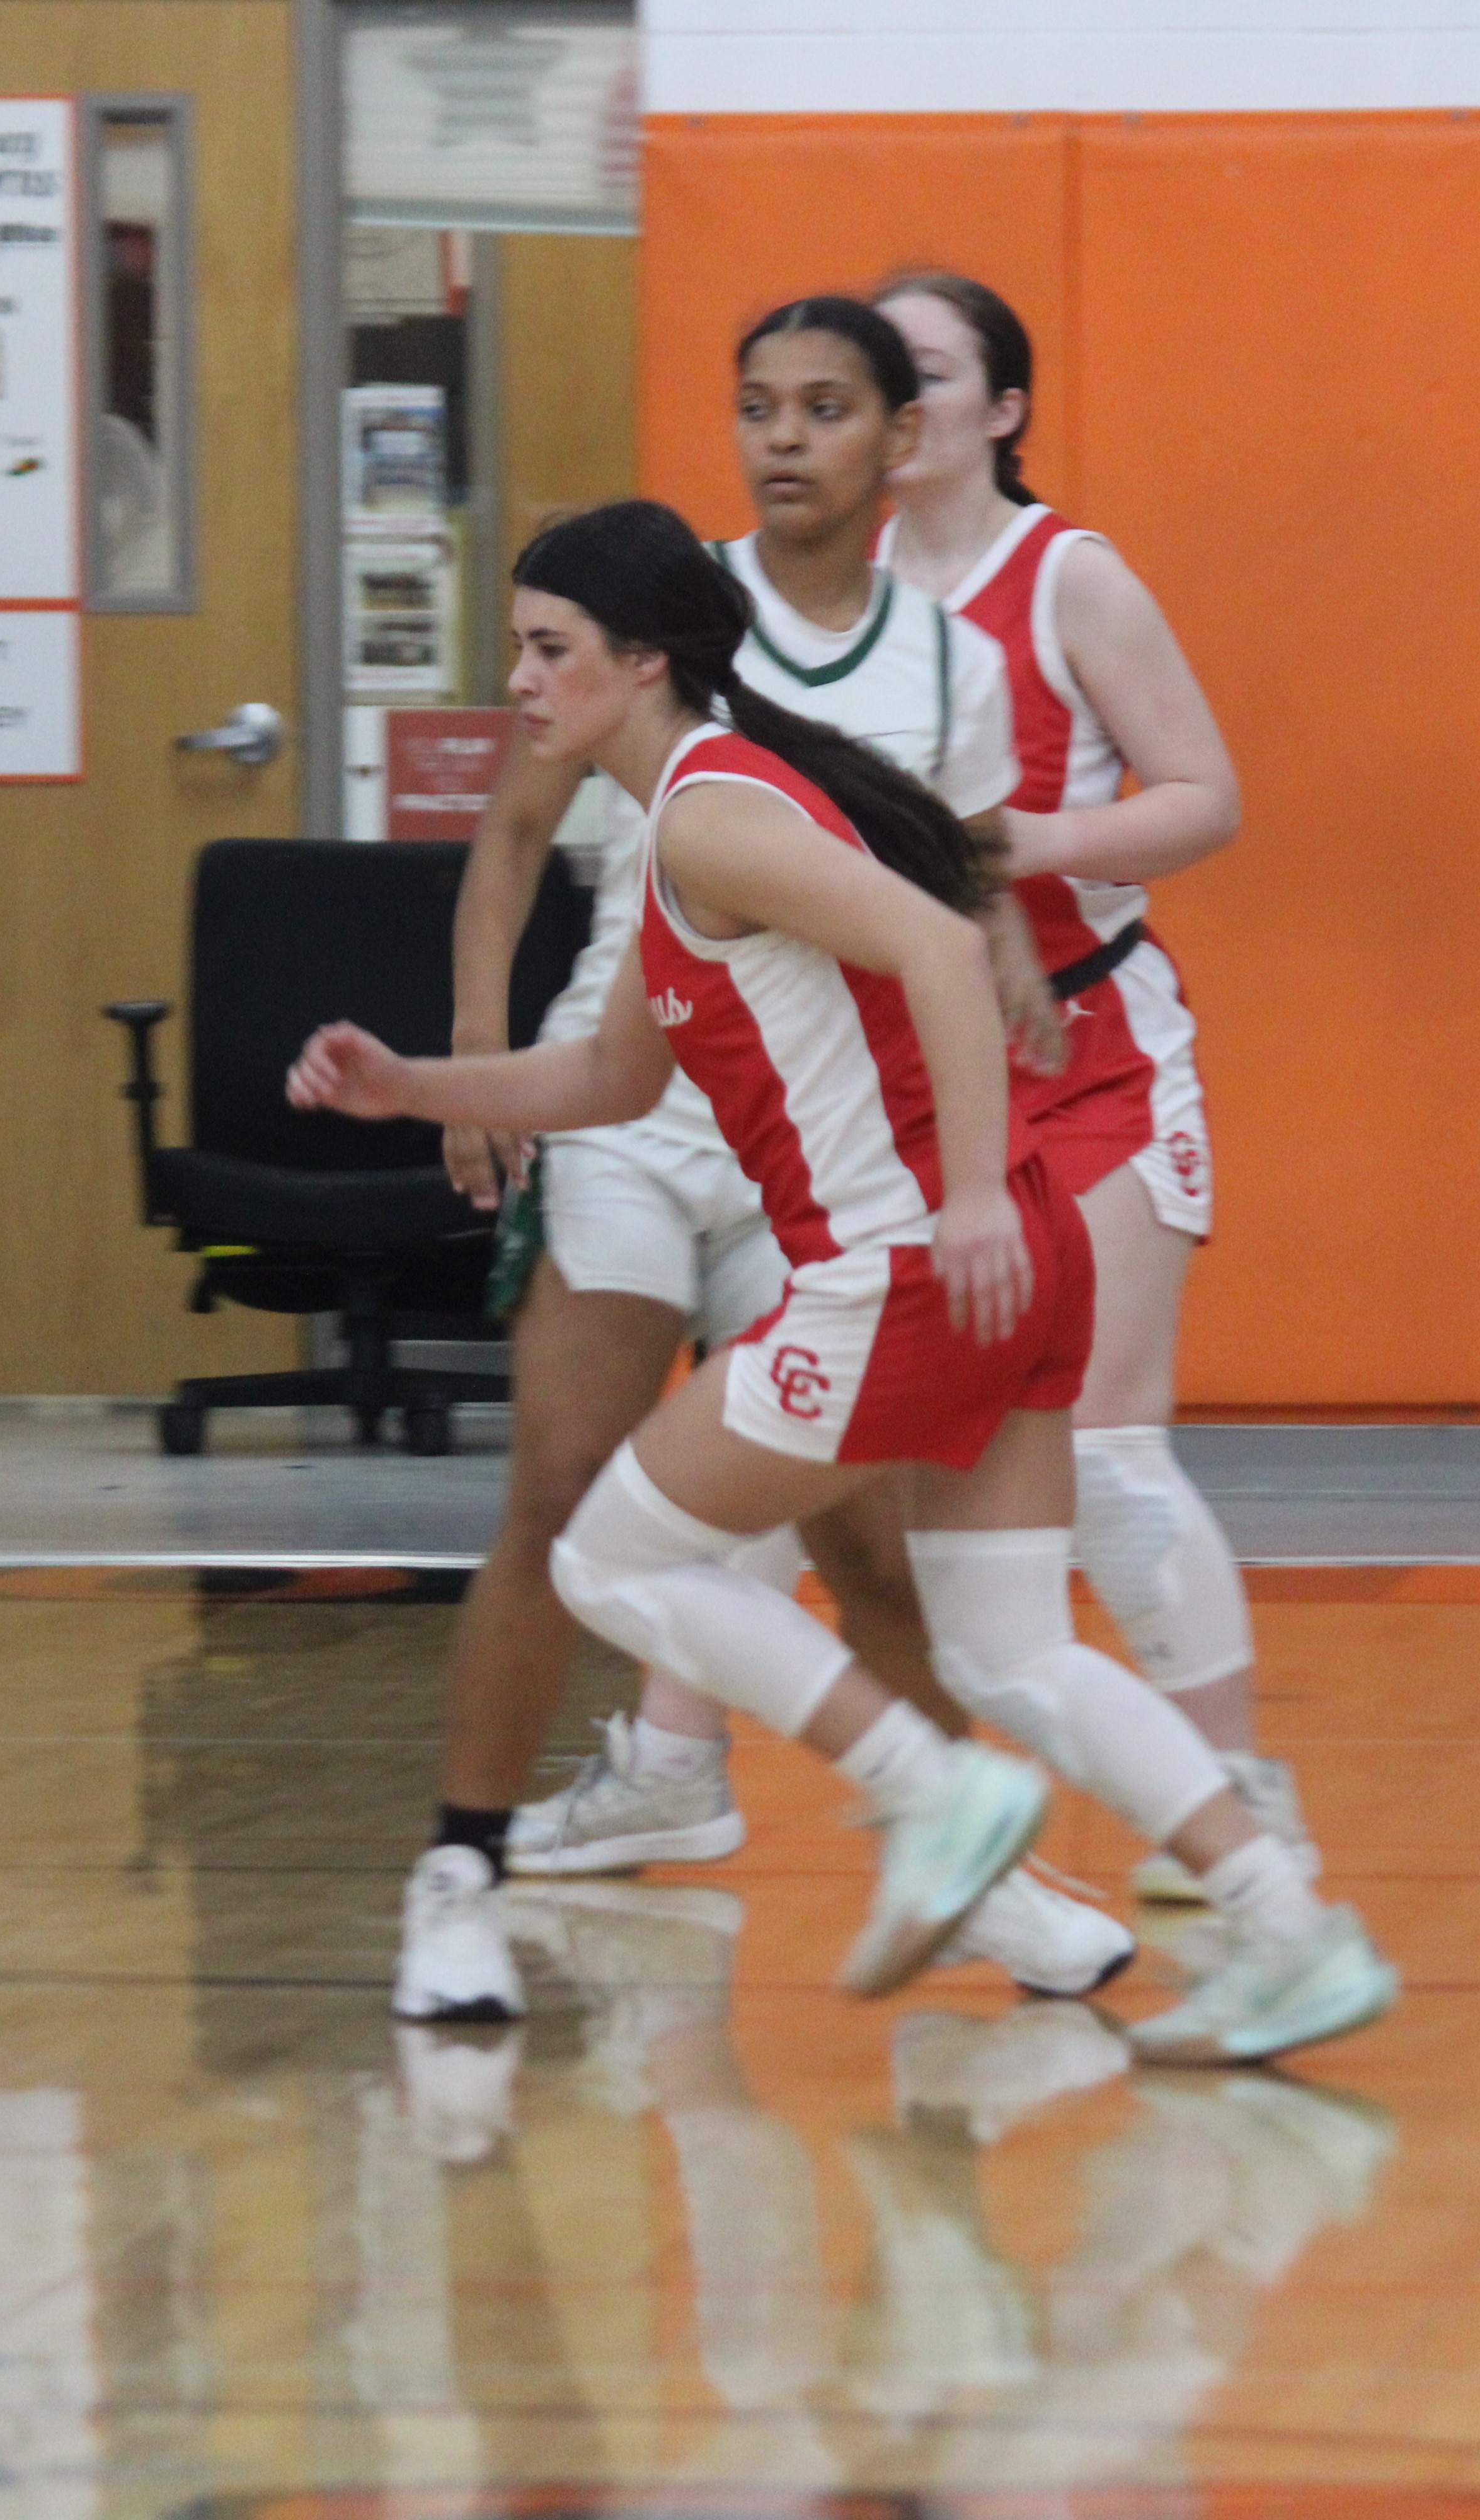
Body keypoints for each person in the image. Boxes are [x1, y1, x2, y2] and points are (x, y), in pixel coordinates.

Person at [290, 498, 1399, 2061]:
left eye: (548, 649)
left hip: (904, 1273)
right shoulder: (690, 819)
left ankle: (926, 1791)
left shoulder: (709, 816)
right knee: (1015, 1653)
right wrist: (412, 1087)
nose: (520, 683)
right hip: (1009, 1262)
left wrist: (965, 1196)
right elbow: (612, 1080)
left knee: (605, 1560)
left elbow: (942, 949)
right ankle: (1291, 1931)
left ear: (642, 660)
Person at [404, 297, 1132, 2024]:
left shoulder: (945, 659)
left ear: (901, 437)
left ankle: (978, 1874)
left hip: (814, 1155)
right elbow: (515, 846)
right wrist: (455, 1070)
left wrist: (1003, 1032)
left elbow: (952, 893)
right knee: (562, 1490)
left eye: (824, 407)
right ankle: (460, 1869)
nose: (785, 438)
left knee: (862, 1550)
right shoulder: (647, 605)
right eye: (757, 407)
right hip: (638, 1104)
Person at [873, 269, 1316, 1901]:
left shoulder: (1069, 577)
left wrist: (1033, 841)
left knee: (1111, 1450)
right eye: (874, 369)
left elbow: (1204, 796)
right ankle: (692, 1764)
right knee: (848, 1461)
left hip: (1085, 1040)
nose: (898, 397)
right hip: (907, 1066)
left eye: (930, 369)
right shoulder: (818, 590)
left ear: (1002, 408)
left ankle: (1242, 1801)